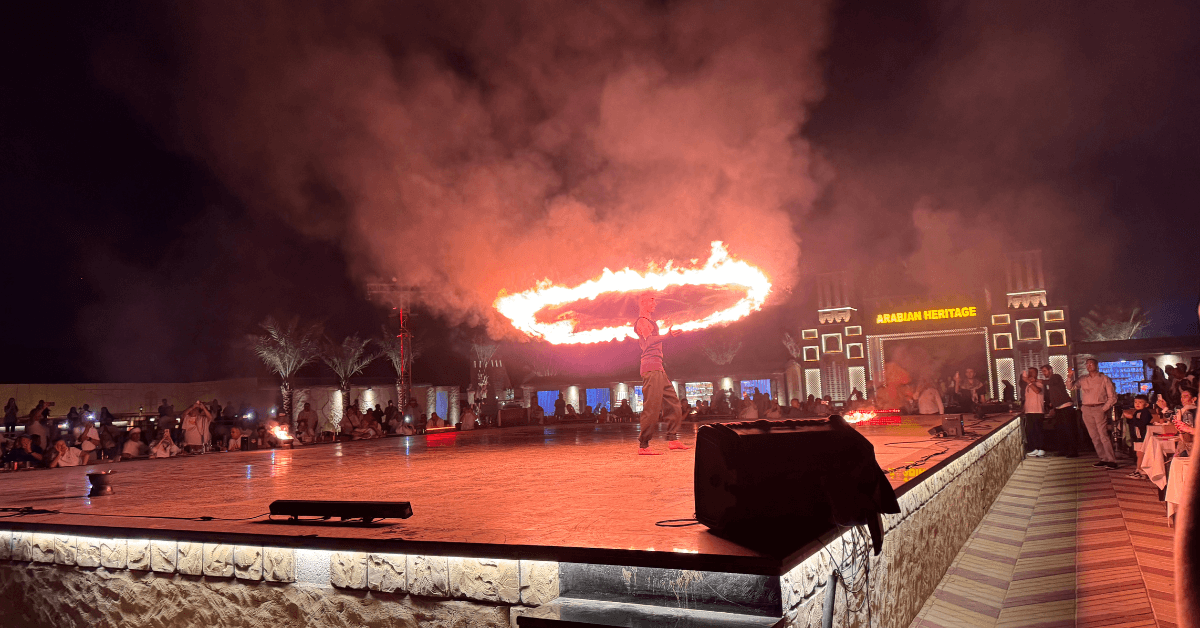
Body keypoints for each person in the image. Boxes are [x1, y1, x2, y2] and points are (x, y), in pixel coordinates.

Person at [633, 293, 686, 455]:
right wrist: (668, 335)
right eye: (652, 300)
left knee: (673, 403)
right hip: (650, 367)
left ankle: (673, 439)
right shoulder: (642, 322)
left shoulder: (651, 322)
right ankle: (643, 445)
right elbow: (648, 342)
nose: (655, 303)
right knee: (652, 408)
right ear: (643, 303)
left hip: (658, 368)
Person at [1072, 358, 1119, 469]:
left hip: (1099, 407)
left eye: (1091, 364)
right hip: (1086, 408)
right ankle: (1103, 458)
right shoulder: (1083, 379)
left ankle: (1111, 460)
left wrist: (1104, 408)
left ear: (1096, 365)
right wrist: (1070, 377)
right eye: (1087, 364)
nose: (1089, 366)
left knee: (1103, 435)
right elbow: (1071, 387)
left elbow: (1112, 397)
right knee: (1094, 436)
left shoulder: (1104, 379)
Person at [1040, 364, 1079, 457]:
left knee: (1069, 430)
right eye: (1043, 372)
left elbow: (1047, 382)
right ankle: (1063, 450)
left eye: (1045, 371)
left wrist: (1035, 380)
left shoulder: (1056, 377)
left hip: (1065, 407)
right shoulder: (1051, 382)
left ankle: (1073, 451)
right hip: (1059, 408)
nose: (1044, 373)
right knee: (1061, 430)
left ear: (1050, 370)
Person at [1126, 395, 1153, 479]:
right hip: (1137, 437)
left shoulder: (1145, 413)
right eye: (1136, 402)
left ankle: (1141, 470)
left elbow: (1141, 424)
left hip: (1142, 437)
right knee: (1139, 453)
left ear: (1146, 404)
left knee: (1141, 453)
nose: (1137, 404)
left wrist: (1132, 418)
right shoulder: (1136, 412)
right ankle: (1138, 469)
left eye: (1140, 402)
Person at [1021, 367, 1046, 457]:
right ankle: (1035, 449)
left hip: (1037, 411)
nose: (1030, 374)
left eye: (1032, 372)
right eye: (1029, 372)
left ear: (1036, 373)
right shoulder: (1028, 385)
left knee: (1038, 430)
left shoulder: (1039, 383)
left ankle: (1041, 449)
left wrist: (1029, 381)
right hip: (1029, 411)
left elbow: (1037, 391)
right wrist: (1024, 410)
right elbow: (1027, 399)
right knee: (1032, 431)